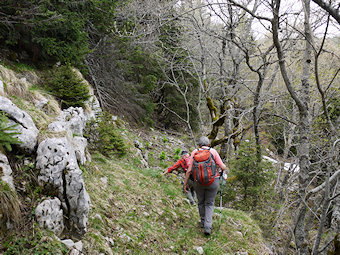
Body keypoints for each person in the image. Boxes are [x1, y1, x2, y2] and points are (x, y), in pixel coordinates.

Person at [183, 136, 227, 236]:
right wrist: (223, 171)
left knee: (201, 202)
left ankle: (203, 222)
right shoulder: (213, 152)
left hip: (198, 182)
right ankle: (208, 226)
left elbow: (189, 170)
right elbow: (223, 166)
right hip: (213, 181)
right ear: (208, 144)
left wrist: (185, 184)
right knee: (209, 203)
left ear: (199, 144)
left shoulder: (194, 152)